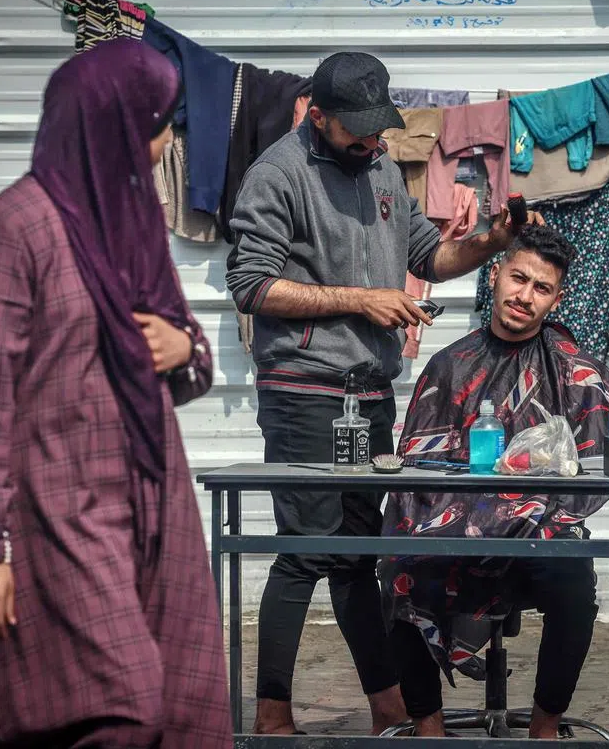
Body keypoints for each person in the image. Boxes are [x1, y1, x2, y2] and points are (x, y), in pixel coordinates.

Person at [225, 51, 543, 736]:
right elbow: (251, 285)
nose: (373, 142)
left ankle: (387, 707)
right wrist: (360, 301)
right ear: (318, 115)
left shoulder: (379, 167)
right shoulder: (275, 174)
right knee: (308, 548)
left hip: (367, 397)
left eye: (379, 129)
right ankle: (272, 715)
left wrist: (493, 241)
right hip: (302, 390)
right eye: (358, 130)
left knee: (359, 557)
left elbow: (429, 258)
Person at [0, 41, 232, 748]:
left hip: (152, 503)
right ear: (108, 123)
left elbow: (188, 360)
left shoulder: (131, 221)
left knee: (180, 707)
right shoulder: (17, 228)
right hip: (59, 509)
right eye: (157, 126)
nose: (164, 145)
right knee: (121, 705)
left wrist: (187, 346)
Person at [379, 224, 609, 738]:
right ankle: (427, 725)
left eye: (541, 288)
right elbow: (414, 471)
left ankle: (544, 727)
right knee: (397, 563)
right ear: (495, 275)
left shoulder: (573, 369)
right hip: (451, 535)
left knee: (573, 583)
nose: (525, 296)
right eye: (518, 279)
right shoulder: (448, 365)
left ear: (555, 299)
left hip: (536, 535)